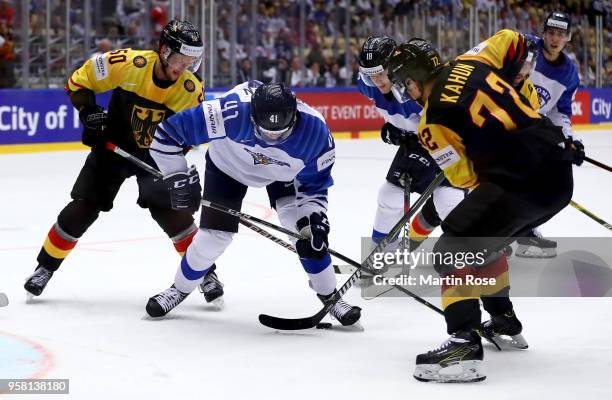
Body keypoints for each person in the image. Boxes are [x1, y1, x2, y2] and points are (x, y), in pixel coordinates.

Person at [387, 37, 581, 382]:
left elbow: (465, 178)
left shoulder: (431, 122)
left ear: (415, 78)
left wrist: (444, 148)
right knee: (481, 239)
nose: (407, 90)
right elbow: (514, 39)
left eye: (406, 83)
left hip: (520, 185)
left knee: (452, 248)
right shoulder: (472, 62)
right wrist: (516, 84)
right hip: (557, 167)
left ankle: (463, 343)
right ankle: (502, 319)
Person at [144, 81, 362, 328]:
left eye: (280, 133)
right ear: (252, 116)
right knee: (214, 237)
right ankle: (179, 289)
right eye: (265, 130)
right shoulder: (230, 111)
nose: (272, 138)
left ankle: (331, 296)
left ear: (295, 118)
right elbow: (165, 136)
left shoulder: (316, 135)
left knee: (305, 234)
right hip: (228, 167)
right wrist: (178, 178)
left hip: (283, 174)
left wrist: (315, 220)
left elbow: (315, 188)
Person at [24, 20, 209, 300]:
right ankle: (44, 268)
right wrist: (89, 113)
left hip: (156, 155)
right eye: (180, 59)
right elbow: (79, 83)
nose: (183, 67)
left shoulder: (189, 89)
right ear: (163, 50)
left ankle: (206, 274)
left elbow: (192, 135)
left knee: (173, 214)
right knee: (83, 207)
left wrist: (176, 166)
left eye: (191, 61)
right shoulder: (127, 63)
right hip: (113, 149)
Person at [356, 36, 466, 264]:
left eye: (381, 72)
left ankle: (475, 254)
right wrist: (393, 130)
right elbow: (396, 117)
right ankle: (380, 257)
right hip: (417, 143)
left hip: (446, 142)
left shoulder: (418, 84)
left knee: (449, 201)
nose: (376, 80)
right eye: (370, 74)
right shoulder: (368, 85)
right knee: (389, 196)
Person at [510, 11, 583, 258]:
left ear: (568, 37)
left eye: (560, 34)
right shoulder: (526, 48)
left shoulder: (569, 73)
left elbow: (560, 110)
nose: (554, 38)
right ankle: (495, 235)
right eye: (551, 32)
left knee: (544, 180)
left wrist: (567, 140)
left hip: (528, 131)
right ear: (544, 32)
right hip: (501, 123)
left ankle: (523, 231)